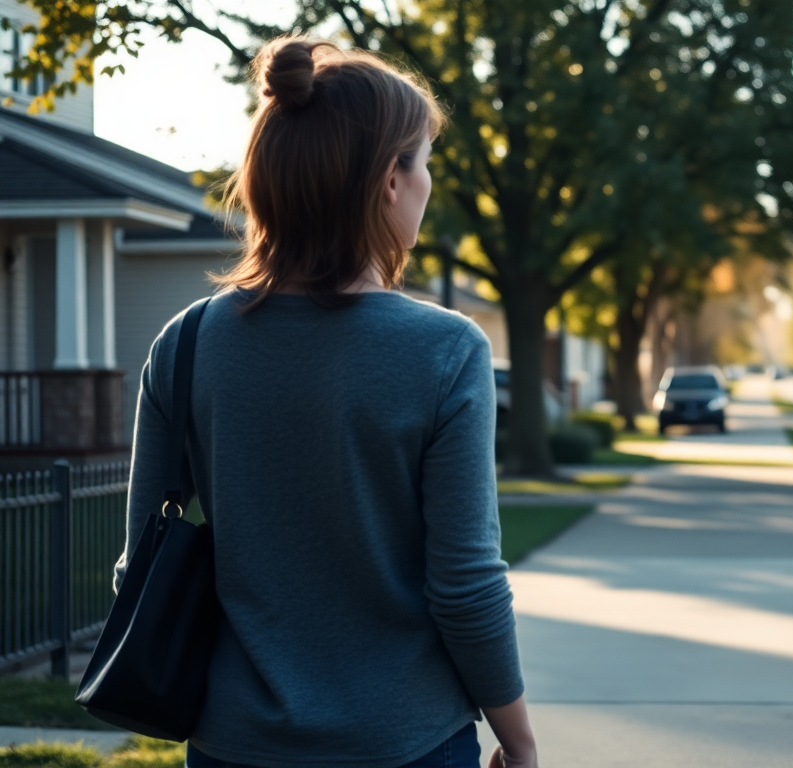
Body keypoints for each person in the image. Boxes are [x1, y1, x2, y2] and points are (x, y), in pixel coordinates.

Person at [115, 36, 538, 768]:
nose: (428, 182)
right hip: (406, 744)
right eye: (424, 162)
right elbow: (465, 586)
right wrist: (520, 741)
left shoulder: (185, 344)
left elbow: (138, 569)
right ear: (389, 181)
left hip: (232, 746)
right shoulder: (445, 351)